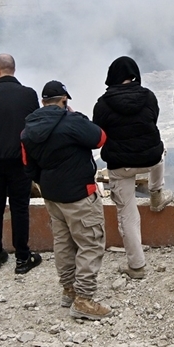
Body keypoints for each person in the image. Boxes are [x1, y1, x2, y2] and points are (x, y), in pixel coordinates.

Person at [21, 81, 112, 320]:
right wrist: (77, 116)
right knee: (91, 243)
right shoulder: (71, 122)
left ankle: (69, 290)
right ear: (64, 100)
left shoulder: (28, 129)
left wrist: (45, 182)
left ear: (43, 102)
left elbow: (27, 165)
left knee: (63, 243)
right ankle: (84, 299)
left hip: (52, 195)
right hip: (79, 195)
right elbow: (100, 138)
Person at [92, 56, 174, 281]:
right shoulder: (148, 96)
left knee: (128, 214)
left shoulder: (102, 103)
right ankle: (156, 193)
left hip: (120, 165)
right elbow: (153, 121)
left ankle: (136, 266)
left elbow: (98, 134)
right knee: (160, 150)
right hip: (150, 159)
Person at [0, 53, 42, 274]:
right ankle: (22, 258)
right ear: (13, 70)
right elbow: (33, 123)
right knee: (19, 207)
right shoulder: (29, 95)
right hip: (19, 161)